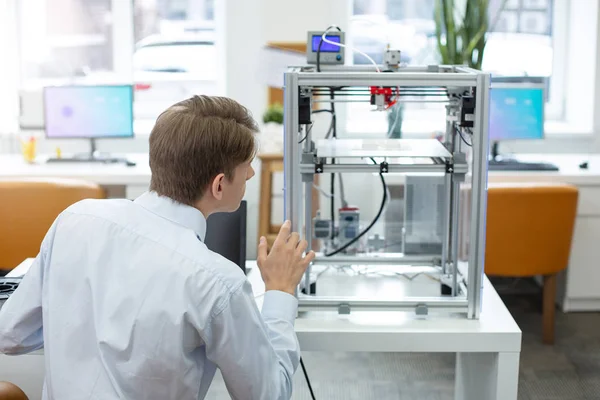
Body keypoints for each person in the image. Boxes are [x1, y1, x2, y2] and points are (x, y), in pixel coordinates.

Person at [0, 95, 315, 399]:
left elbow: (10, 335)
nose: (251, 173)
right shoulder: (217, 282)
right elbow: (267, 394)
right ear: (219, 185)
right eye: (247, 165)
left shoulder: (75, 218)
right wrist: (280, 292)